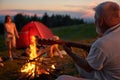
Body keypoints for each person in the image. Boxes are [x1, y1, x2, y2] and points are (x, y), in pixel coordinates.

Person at [56, 1, 120, 80]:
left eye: (95, 18)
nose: (94, 22)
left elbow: (87, 68)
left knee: (61, 78)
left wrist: (71, 53)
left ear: (101, 21)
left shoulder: (102, 43)